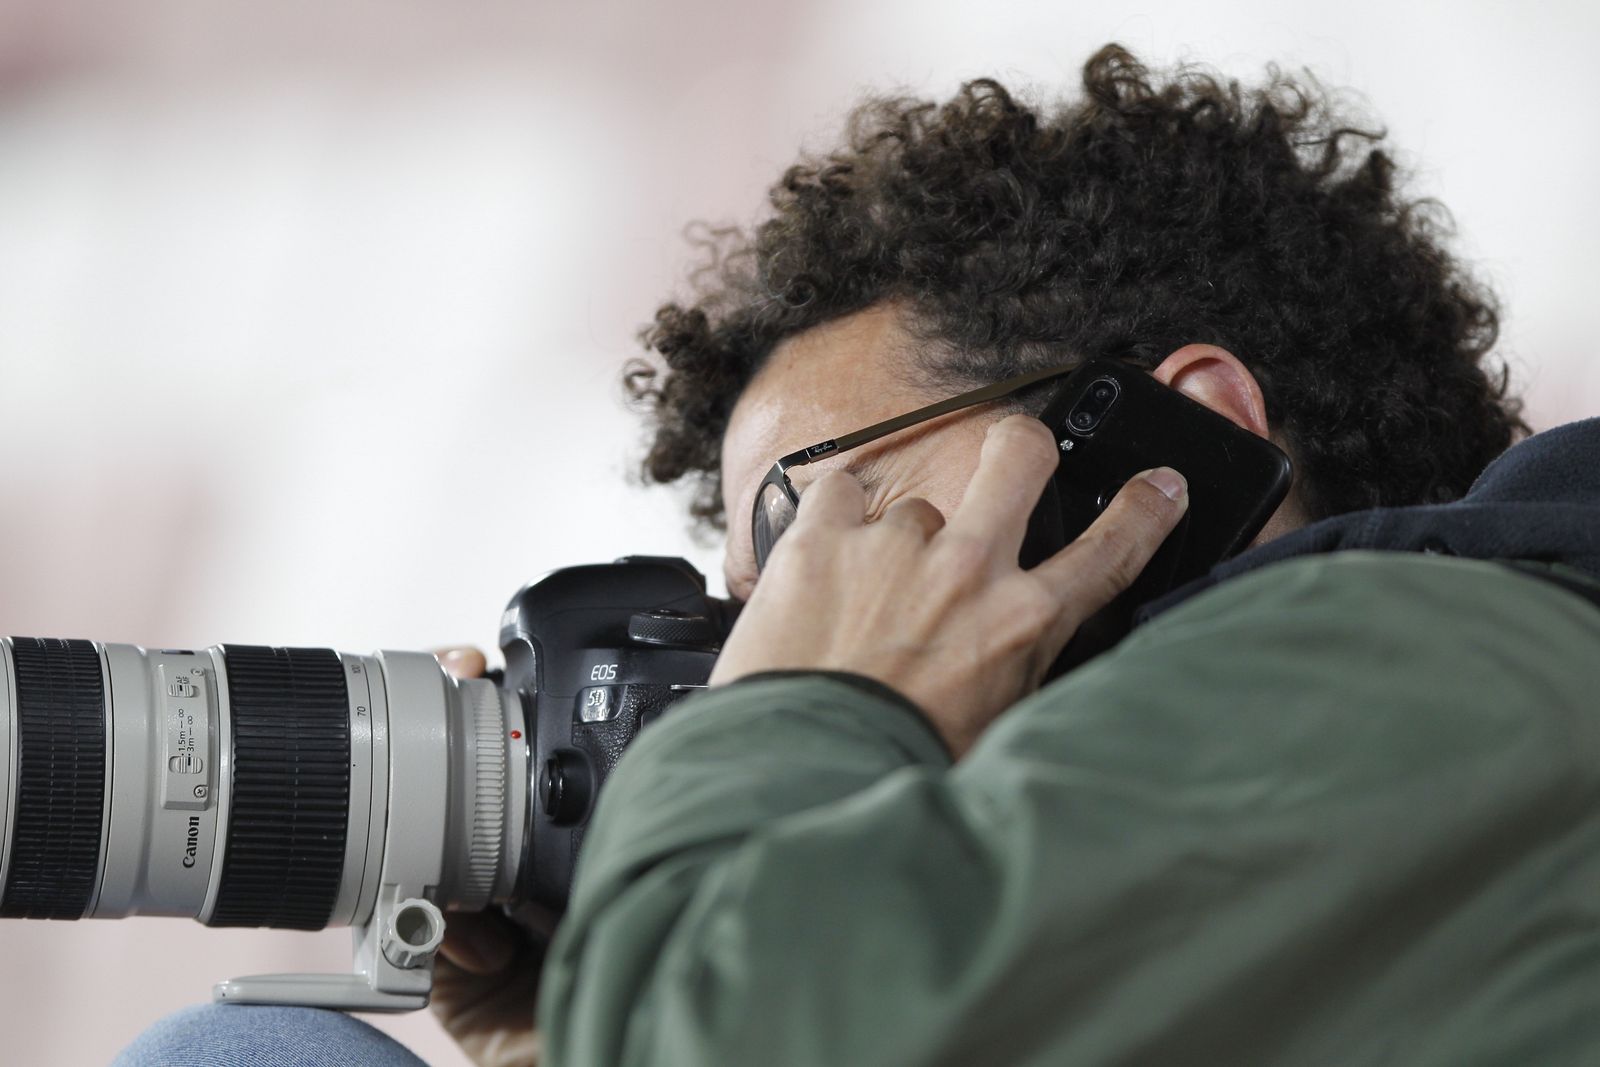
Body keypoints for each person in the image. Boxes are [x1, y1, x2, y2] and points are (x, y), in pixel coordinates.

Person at [119, 44, 1600, 1067]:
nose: (775, 650)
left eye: (817, 524)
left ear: (1168, 452)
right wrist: (600, 1021)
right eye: (761, 613)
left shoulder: (1435, 653)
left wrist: (781, 753)